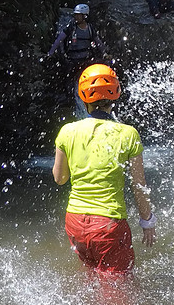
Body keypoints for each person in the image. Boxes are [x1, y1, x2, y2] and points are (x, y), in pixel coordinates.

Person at [52, 64, 156, 274]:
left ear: (83, 97)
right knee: (118, 289)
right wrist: (147, 221)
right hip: (108, 225)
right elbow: (139, 185)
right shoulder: (128, 134)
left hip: (75, 221)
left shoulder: (67, 131)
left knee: (92, 277)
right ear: (115, 95)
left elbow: (60, 178)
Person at [46, 4, 110, 114]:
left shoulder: (90, 29)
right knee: (69, 79)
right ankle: (70, 98)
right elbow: (59, 40)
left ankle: (95, 97)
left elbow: (98, 42)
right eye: (75, 15)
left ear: (85, 16)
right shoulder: (71, 27)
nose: (76, 17)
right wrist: (50, 53)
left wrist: (105, 53)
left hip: (85, 59)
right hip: (72, 60)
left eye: (79, 15)